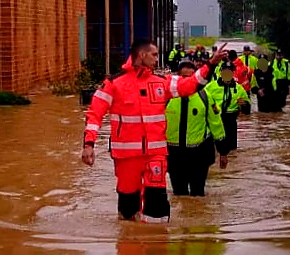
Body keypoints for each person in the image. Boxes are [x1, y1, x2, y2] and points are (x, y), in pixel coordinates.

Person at [83, 39, 227, 221]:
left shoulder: (162, 82)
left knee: (157, 205)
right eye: (154, 54)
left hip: (155, 155)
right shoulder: (114, 84)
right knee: (128, 209)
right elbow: (94, 114)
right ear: (142, 55)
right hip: (127, 158)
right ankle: (130, 245)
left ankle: (158, 244)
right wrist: (89, 144)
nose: (157, 59)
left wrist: (211, 64)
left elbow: (191, 84)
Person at [165, 60, 229, 197]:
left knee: (197, 193)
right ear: (177, 77)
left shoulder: (205, 97)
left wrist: (223, 151)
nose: (188, 81)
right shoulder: (166, 98)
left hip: (199, 154)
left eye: (191, 77)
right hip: (174, 154)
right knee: (179, 194)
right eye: (184, 77)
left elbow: (216, 124)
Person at [206, 62, 250, 154]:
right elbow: (203, 102)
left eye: (230, 71)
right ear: (221, 72)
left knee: (232, 152)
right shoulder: (211, 87)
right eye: (225, 71)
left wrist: (244, 104)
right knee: (214, 151)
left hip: (231, 121)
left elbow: (247, 110)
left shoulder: (239, 88)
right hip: (215, 120)